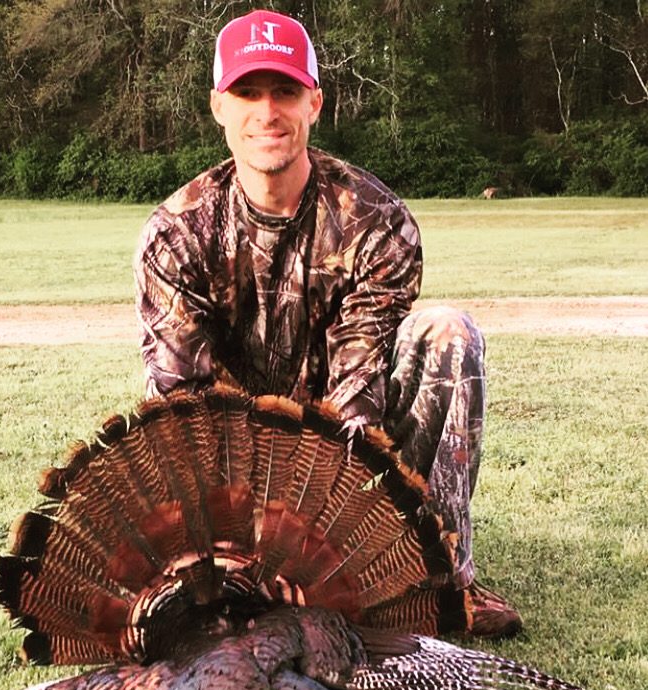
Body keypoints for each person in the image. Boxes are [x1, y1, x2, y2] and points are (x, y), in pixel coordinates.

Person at [133, 9, 521, 638]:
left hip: (343, 447)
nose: (267, 112)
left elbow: (357, 386)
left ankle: (440, 578)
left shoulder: (375, 219)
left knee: (449, 333)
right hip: (235, 462)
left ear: (314, 102)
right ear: (219, 108)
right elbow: (183, 409)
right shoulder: (175, 234)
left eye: (284, 91)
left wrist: (326, 535)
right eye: (248, 93)